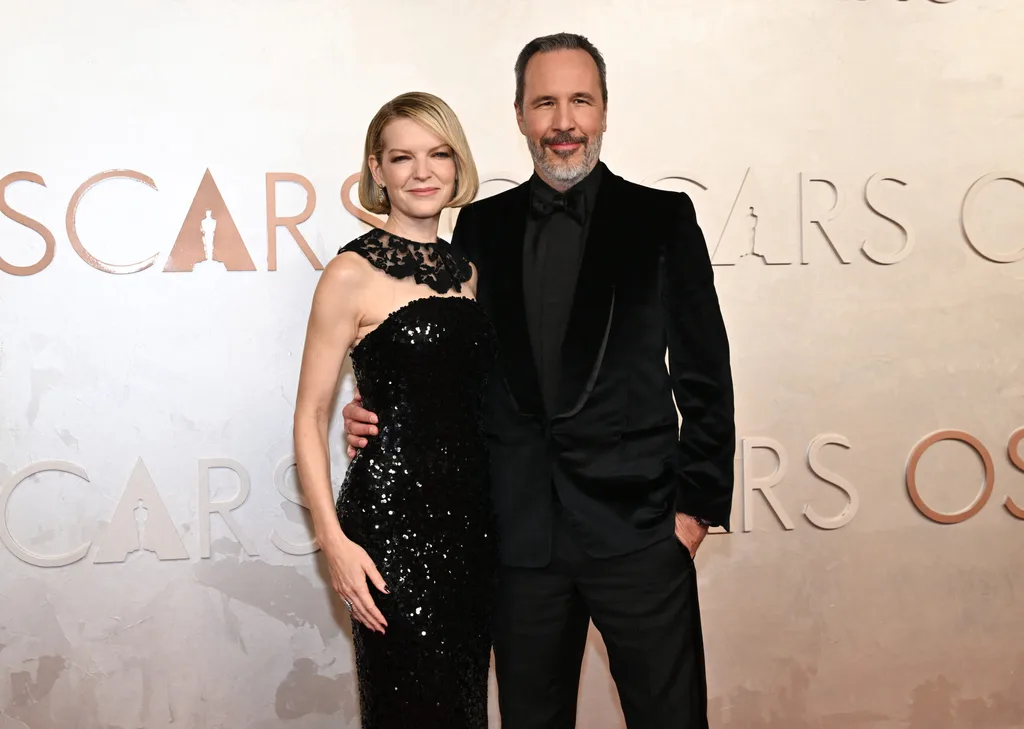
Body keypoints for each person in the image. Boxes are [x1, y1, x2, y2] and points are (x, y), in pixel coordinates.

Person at [343, 33, 736, 729]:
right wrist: (380, 411)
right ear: (519, 114)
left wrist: (693, 513)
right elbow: (453, 365)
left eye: (580, 101)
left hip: (641, 534)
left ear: (605, 111)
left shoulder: (662, 218)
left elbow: (705, 374)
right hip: (519, 541)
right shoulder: (479, 228)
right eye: (545, 102)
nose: (563, 122)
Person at [292, 91, 495, 729]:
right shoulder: (349, 274)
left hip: (472, 529)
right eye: (402, 157)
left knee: (461, 707)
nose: (423, 171)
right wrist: (333, 542)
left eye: (438, 154)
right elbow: (309, 415)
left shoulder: (469, 272)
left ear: (457, 164)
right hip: (387, 528)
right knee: (405, 707)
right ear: (377, 172)